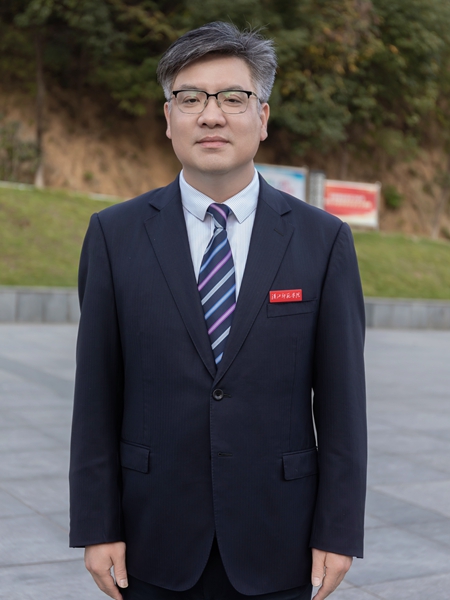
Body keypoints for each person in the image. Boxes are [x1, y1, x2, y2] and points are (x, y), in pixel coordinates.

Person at [69, 21, 367, 600]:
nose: (210, 116)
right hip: (151, 538)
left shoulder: (323, 239)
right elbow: (96, 395)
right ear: (168, 118)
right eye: (190, 99)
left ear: (262, 116)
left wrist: (338, 530)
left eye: (232, 98)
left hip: (280, 538)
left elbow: (342, 405)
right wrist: (96, 525)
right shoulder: (113, 234)